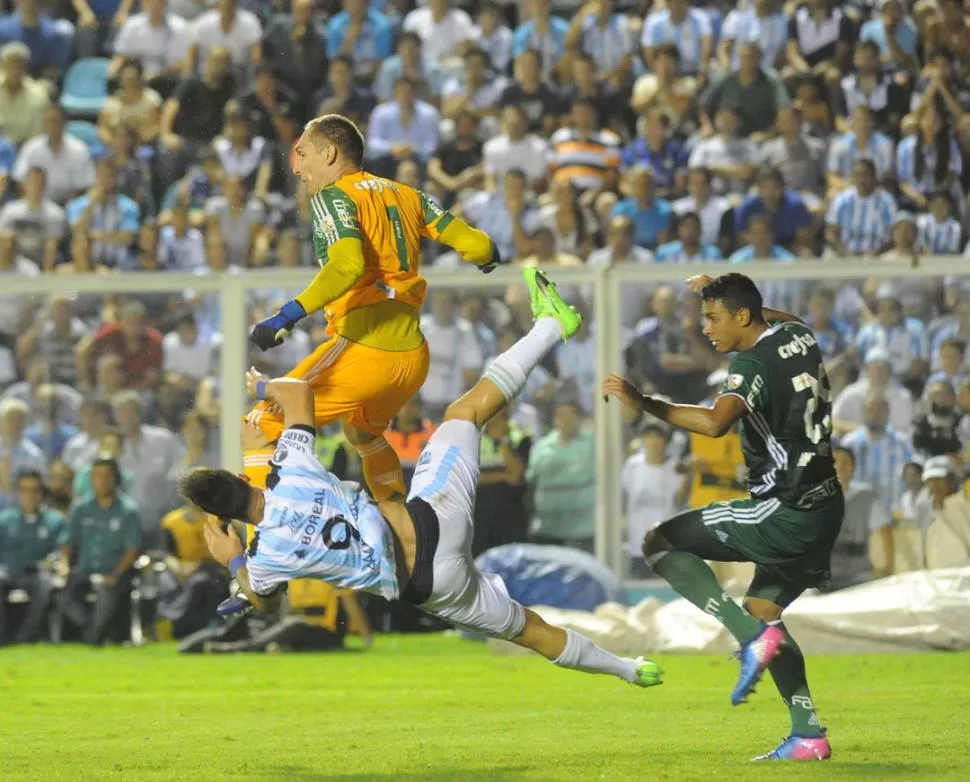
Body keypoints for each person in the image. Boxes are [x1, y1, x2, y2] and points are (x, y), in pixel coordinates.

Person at [182, 269, 662, 690]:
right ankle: (554, 324)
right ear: (238, 478)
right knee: (465, 413)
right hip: (434, 520)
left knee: (528, 632)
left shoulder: (265, 558)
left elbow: (260, 600)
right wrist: (262, 388)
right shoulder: (291, 468)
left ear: (222, 518)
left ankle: (628, 670)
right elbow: (298, 393)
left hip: (431, 584)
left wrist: (231, 560)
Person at [603, 272, 840, 761]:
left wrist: (644, 401)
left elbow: (715, 423)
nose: (705, 328)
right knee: (766, 612)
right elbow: (780, 317)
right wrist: (728, 291)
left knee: (659, 542)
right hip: (826, 501)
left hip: (786, 508)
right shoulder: (799, 335)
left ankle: (750, 638)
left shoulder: (751, 365)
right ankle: (808, 733)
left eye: (713, 317)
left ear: (743, 317)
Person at [246, 113, 499, 512]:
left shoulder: (333, 197)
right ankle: (402, 534)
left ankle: (268, 549)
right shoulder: (406, 193)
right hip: (412, 358)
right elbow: (474, 243)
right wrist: (486, 254)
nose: (299, 168)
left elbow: (346, 266)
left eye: (304, 154)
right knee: (364, 434)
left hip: (365, 351)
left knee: (259, 426)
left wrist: (287, 315)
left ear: (329, 153)